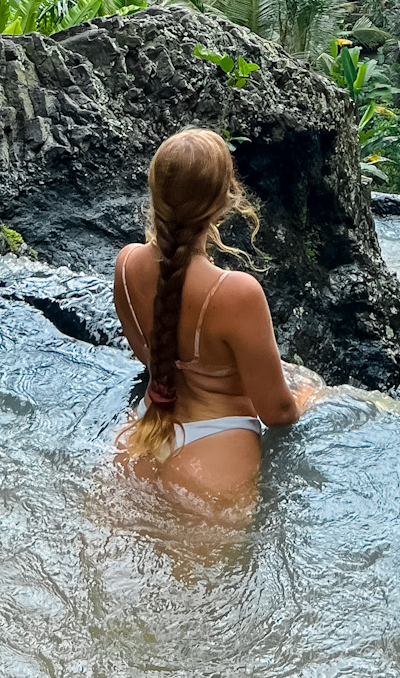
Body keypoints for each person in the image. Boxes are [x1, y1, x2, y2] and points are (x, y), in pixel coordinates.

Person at [113, 126, 320, 506]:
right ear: (224, 201)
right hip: (219, 445)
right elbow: (276, 413)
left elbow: (151, 357)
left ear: (154, 191)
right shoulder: (236, 292)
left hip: (145, 425)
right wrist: (309, 398)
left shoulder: (126, 264)